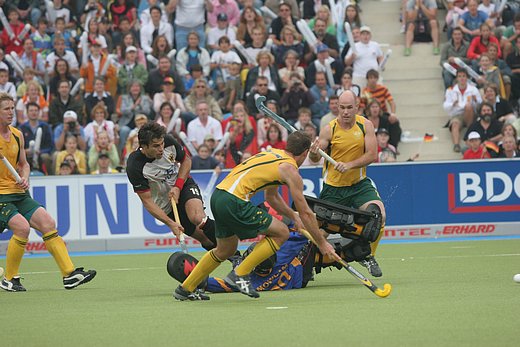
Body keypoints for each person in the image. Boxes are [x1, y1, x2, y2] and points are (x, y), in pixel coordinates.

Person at [174, 131, 340, 300]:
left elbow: (272, 197)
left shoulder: (273, 153)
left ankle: (185, 288)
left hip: (218, 196)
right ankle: (240, 274)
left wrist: (293, 216)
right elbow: (306, 212)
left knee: (225, 250)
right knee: (282, 232)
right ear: (305, 153)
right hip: (234, 201)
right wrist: (322, 243)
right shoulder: (290, 170)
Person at [0, 93, 95, 291]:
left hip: (18, 192)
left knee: (48, 223)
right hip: (1, 196)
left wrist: (25, 177)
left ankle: (69, 274)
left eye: (11, 108)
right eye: (6, 109)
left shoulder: (17, 135)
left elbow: (24, 164)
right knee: (22, 228)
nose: (11, 113)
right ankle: (9, 278)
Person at [308, 90, 386, 278]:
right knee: (320, 234)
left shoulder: (365, 125)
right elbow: (313, 159)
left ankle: (367, 256)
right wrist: (314, 151)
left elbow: (372, 154)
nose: (345, 112)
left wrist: (350, 165)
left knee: (378, 216)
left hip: (359, 185)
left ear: (357, 107)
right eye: (341, 108)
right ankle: (305, 265)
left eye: (349, 108)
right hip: (333, 190)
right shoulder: (329, 129)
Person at [126, 121, 218, 254]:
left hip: (183, 185)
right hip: (165, 203)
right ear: (144, 146)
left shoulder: (168, 141)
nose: (161, 149)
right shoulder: (135, 166)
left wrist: (178, 187)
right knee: (206, 240)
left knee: (198, 218)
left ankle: (237, 256)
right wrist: (171, 224)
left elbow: (186, 160)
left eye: (162, 144)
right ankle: (233, 258)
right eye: (156, 146)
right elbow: (147, 201)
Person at [443, 68, 482, 152]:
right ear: (457, 78)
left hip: (470, 113)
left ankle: (469, 130)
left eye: (464, 76)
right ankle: (456, 145)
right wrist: (452, 104)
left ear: (467, 78)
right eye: (459, 76)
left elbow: (480, 104)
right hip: (457, 115)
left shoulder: (473, 89)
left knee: (468, 106)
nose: (462, 78)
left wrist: (475, 101)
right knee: (455, 124)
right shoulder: (450, 90)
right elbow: (445, 106)